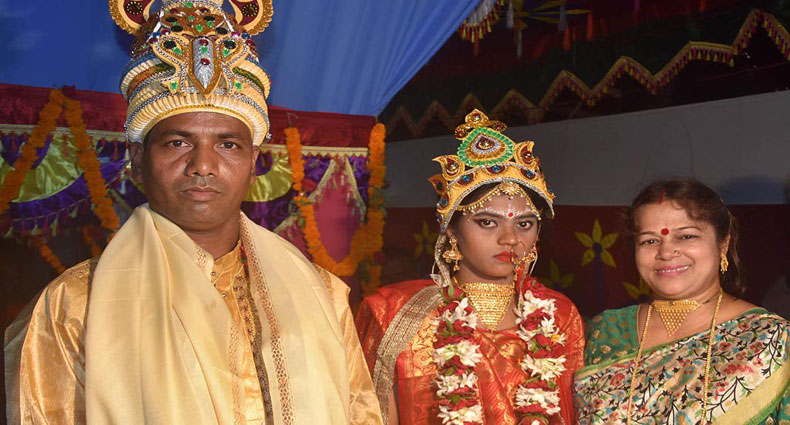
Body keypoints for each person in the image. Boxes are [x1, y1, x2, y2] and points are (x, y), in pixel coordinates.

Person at [3, 1, 382, 424]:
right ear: (137, 160)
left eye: (228, 144)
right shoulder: (73, 307)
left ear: (254, 163)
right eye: (178, 143)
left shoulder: (321, 294)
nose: (203, 165)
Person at [356, 110, 585, 425]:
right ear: (452, 230)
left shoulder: (559, 315)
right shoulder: (394, 314)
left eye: (524, 223)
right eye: (487, 222)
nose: (510, 239)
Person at [574, 179, 790, 424]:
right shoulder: (603, 332)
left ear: (723, 244)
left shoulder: (771, 339)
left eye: (686, 236)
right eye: (649, 241)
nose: (666, 252)